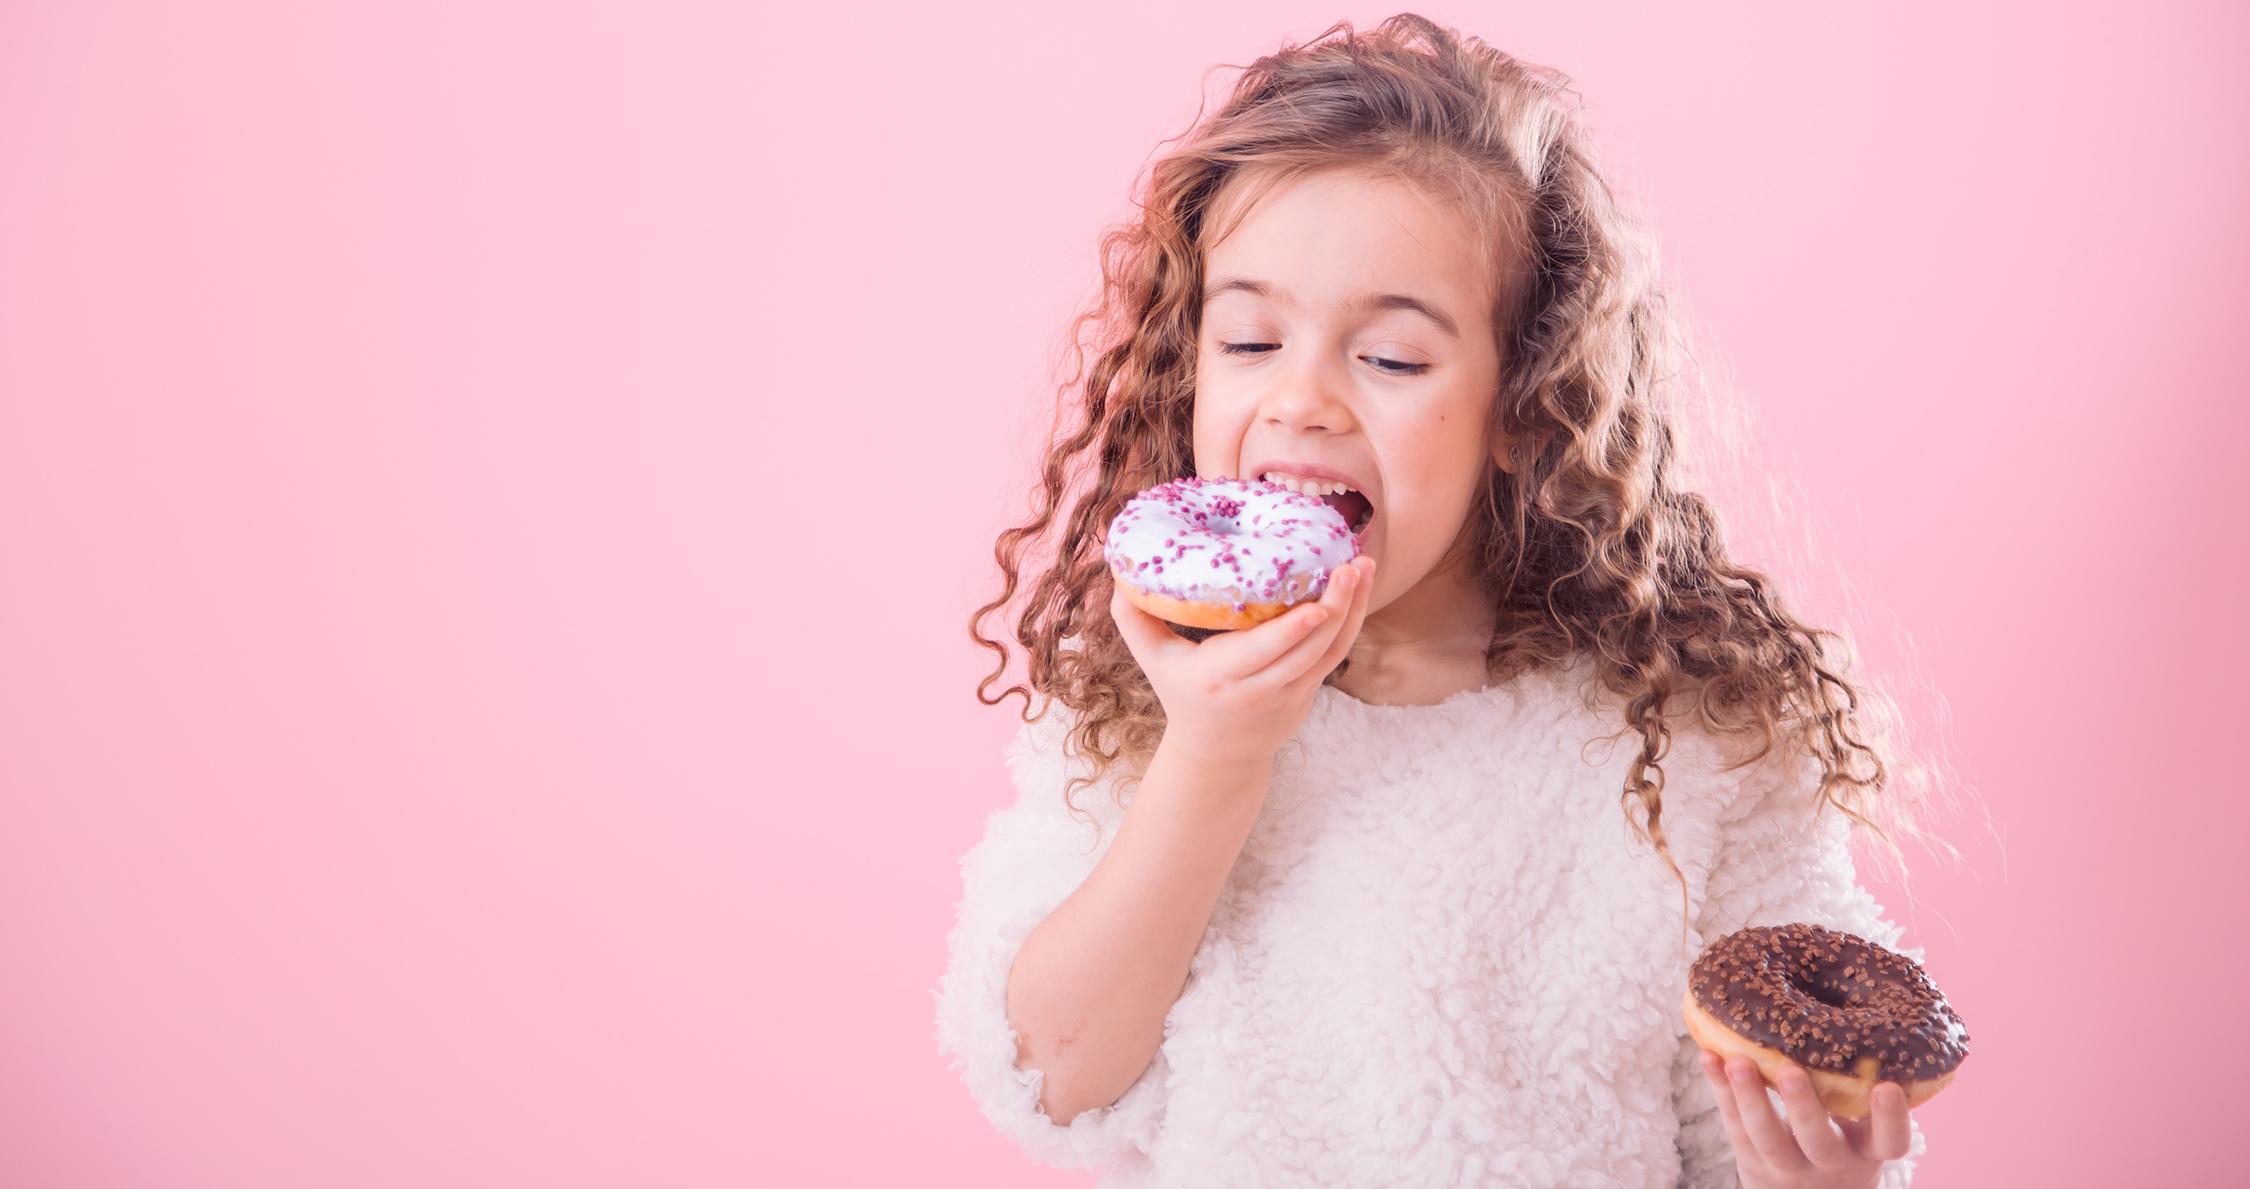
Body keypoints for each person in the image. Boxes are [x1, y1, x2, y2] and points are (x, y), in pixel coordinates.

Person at [935, 14, 1949, 1187]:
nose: (1302, 398)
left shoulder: (1688, 738)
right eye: (1252, 337)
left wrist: (1816, 1172)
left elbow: (1750, 1117)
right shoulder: (1138, 695)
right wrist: (1213, 757)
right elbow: (1050, 1075)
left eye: (1394, 359)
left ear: (1528, 406)